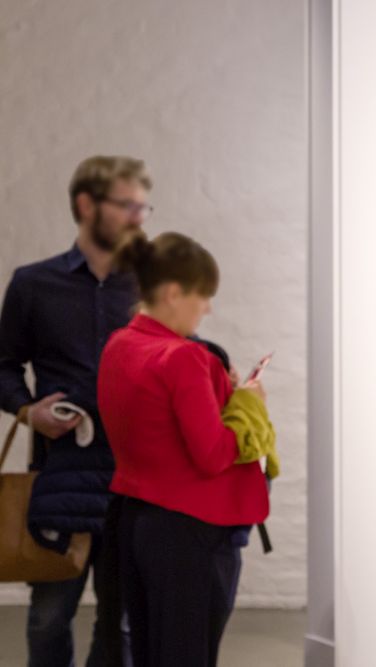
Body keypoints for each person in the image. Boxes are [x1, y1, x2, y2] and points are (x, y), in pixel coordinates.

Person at [0, 155, 151, 666]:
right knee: (47, 615)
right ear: (87, 205)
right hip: (59, 474)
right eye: (127, 205)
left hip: (134, 476)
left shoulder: (151, 286)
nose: (139, 217)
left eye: (142, 206)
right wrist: (27, 411)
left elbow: (180, 356)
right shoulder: (32, 283)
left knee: (122, 619)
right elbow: (2, 366)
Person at [97, 231, 271, 666]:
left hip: (134, 519)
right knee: (187, 654)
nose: (208, 307)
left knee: (151, 649)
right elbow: (212, 455)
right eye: (203, 296)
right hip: (187, 529)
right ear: (174, 293)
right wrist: (248, 404)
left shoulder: (119, 345)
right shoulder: (184, 358)